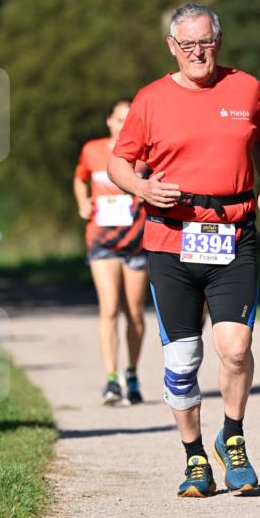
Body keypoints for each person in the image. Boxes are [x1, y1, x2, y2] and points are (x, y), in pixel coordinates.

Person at [108, 2, 260, 498]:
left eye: (205, 42)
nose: (197, 52)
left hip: (234, 235)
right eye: (187, 44)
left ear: (218, 41)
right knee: (183, 362)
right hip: (171, 240)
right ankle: (195, 457)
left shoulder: (247, 88)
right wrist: (141, 188)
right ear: (172, 47)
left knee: (236, 348)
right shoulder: (150, 99)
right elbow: (119, 164)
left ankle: (233, 437)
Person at [73, 99, 148, 405]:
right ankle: (111, 379)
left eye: (129, 120)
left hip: (136, 241)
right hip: (101, 240)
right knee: (109, 308)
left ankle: (132, 373)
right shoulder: (92, 150)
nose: (122, 125)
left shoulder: (146, 153)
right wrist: (82, 202)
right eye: (119, 120)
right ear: (109, 121)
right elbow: (79, 178)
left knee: (134, 313)